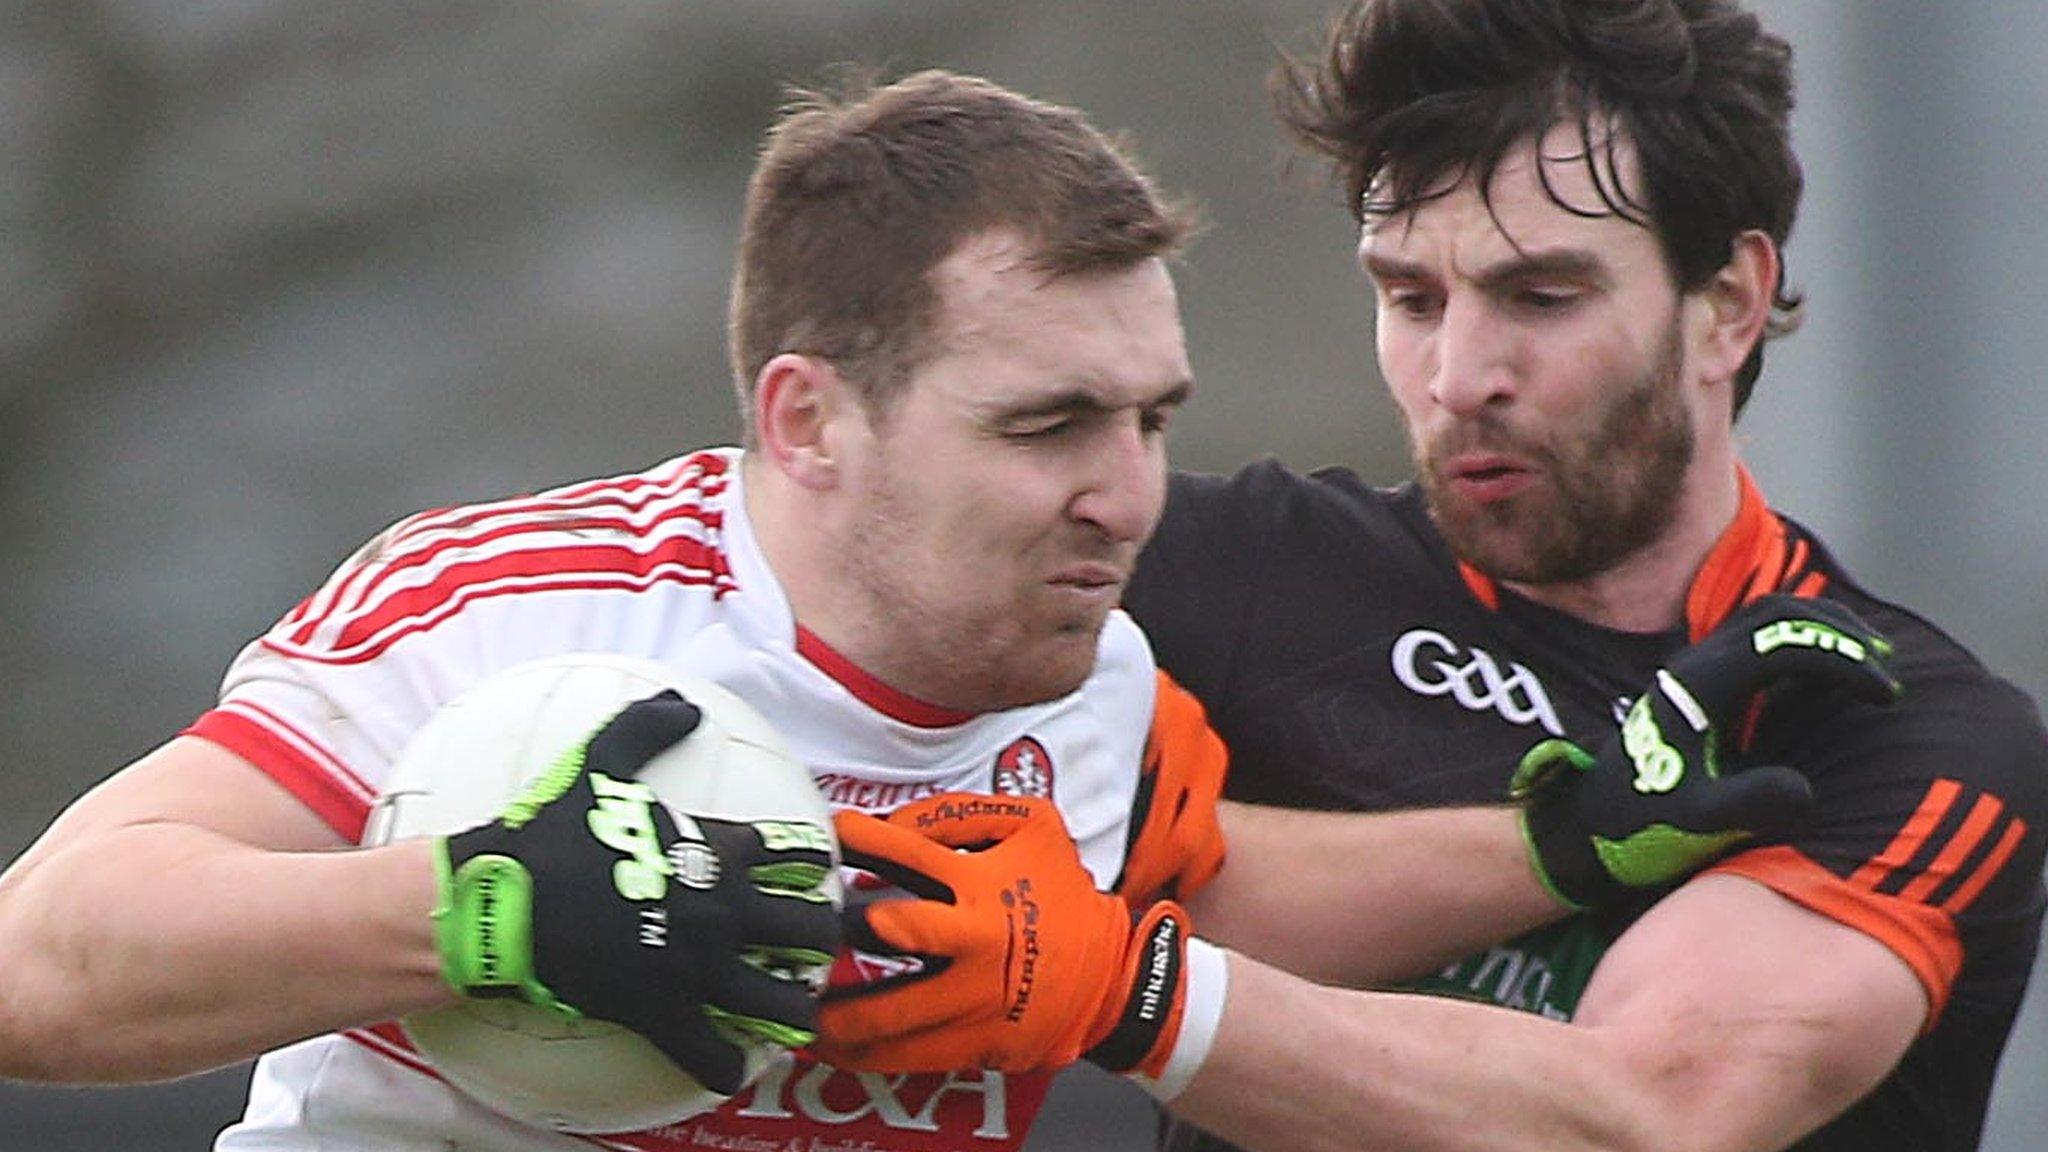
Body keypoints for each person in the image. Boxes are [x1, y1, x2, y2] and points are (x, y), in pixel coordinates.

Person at [0, 62, 1885, 1152]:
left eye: (1151, 419)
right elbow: (45, 965)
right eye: (1045, 422)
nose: (1125, 490)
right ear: (806, 418)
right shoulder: (522, 615)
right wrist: (485, 905)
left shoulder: (1089, 677)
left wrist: (1551, 846)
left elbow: (1183, 888)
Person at [816, 4, 2048, 1151]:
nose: (1458, 373)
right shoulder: (1227, 573)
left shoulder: (1904, 727)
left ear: (1726, 302)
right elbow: (790, 569)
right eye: (1409, 296)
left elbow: (1650, 1110)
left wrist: (1120, 985)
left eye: (1540, 295)